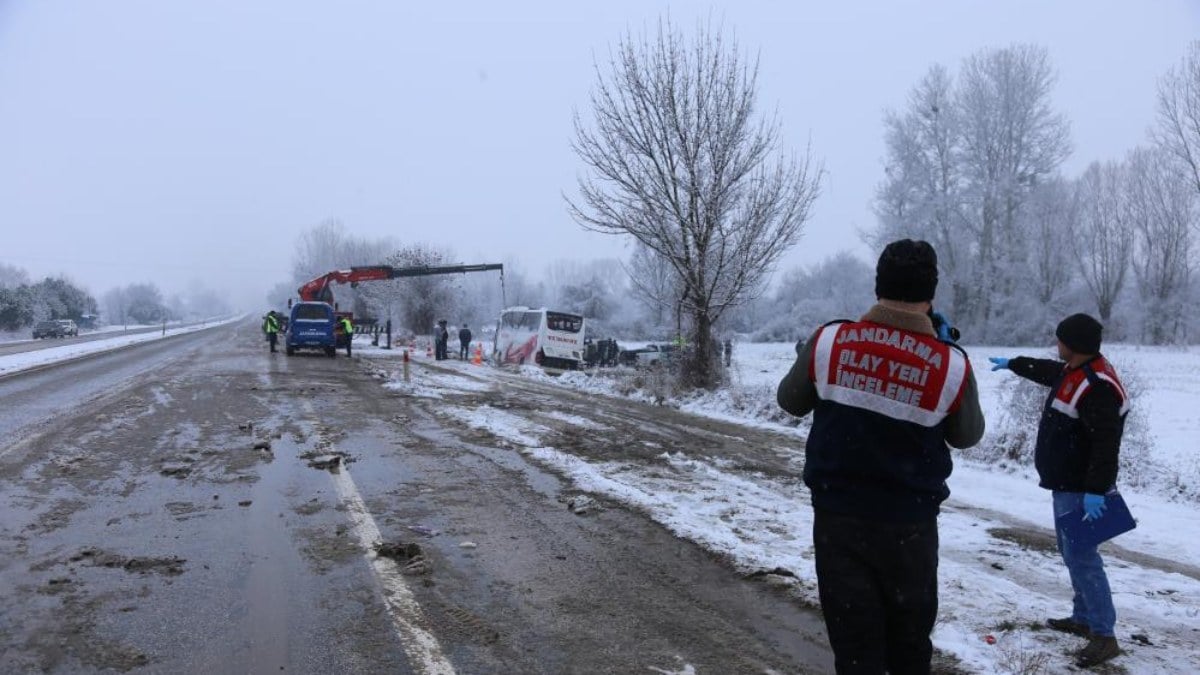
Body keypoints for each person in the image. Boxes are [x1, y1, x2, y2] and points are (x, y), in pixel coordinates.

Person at [777, 238, 985, 674]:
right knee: (909, 648)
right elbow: (967, 436)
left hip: (839, 521)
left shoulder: (829, 341)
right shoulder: (950, 363)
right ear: (931, 295)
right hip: (910, 529)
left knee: (856, 648)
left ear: (877, 287)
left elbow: (790, 401)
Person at [989, 313, 1127, 668]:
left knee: (1083, 559)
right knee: (1073, 555)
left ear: (1075, 344)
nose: (1057, 344)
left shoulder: (1097, 385)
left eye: (1060, 339)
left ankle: (1104, 635)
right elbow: (1049, 372)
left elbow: (1105, 444)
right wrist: (1014, 364)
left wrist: (1096, 490)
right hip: (1067, 485)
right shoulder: (1075, 371)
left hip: (1083, 490)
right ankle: (1083, 619)